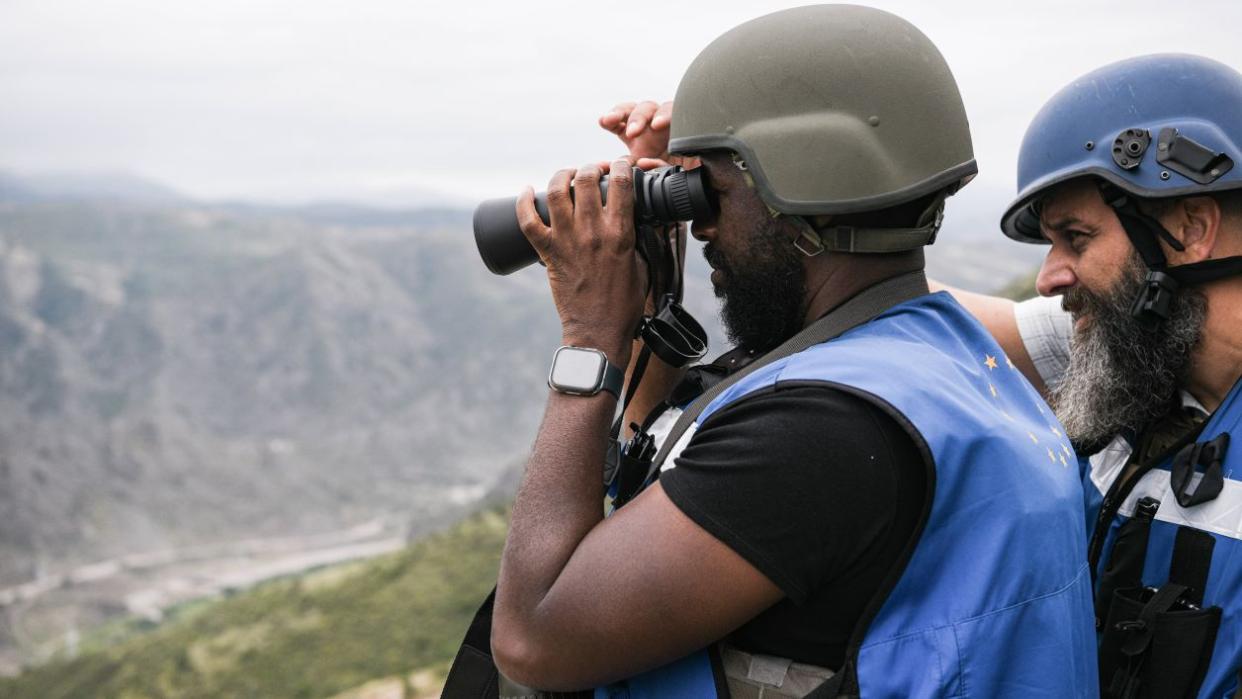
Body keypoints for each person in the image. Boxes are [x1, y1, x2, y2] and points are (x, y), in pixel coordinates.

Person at [481, 6, 1097, 698]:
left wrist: (588, 338)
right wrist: (646, 316)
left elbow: (532, 636)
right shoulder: (950, 360)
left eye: (710, 188)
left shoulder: (818, 433)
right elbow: (646, 462)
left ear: (807, 187)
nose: (701, 223)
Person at [941, 54, 1242, 699]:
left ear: (1189, 228)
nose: (1049, 276)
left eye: (1075, 238)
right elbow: (912, 307)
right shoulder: (1134, 351)